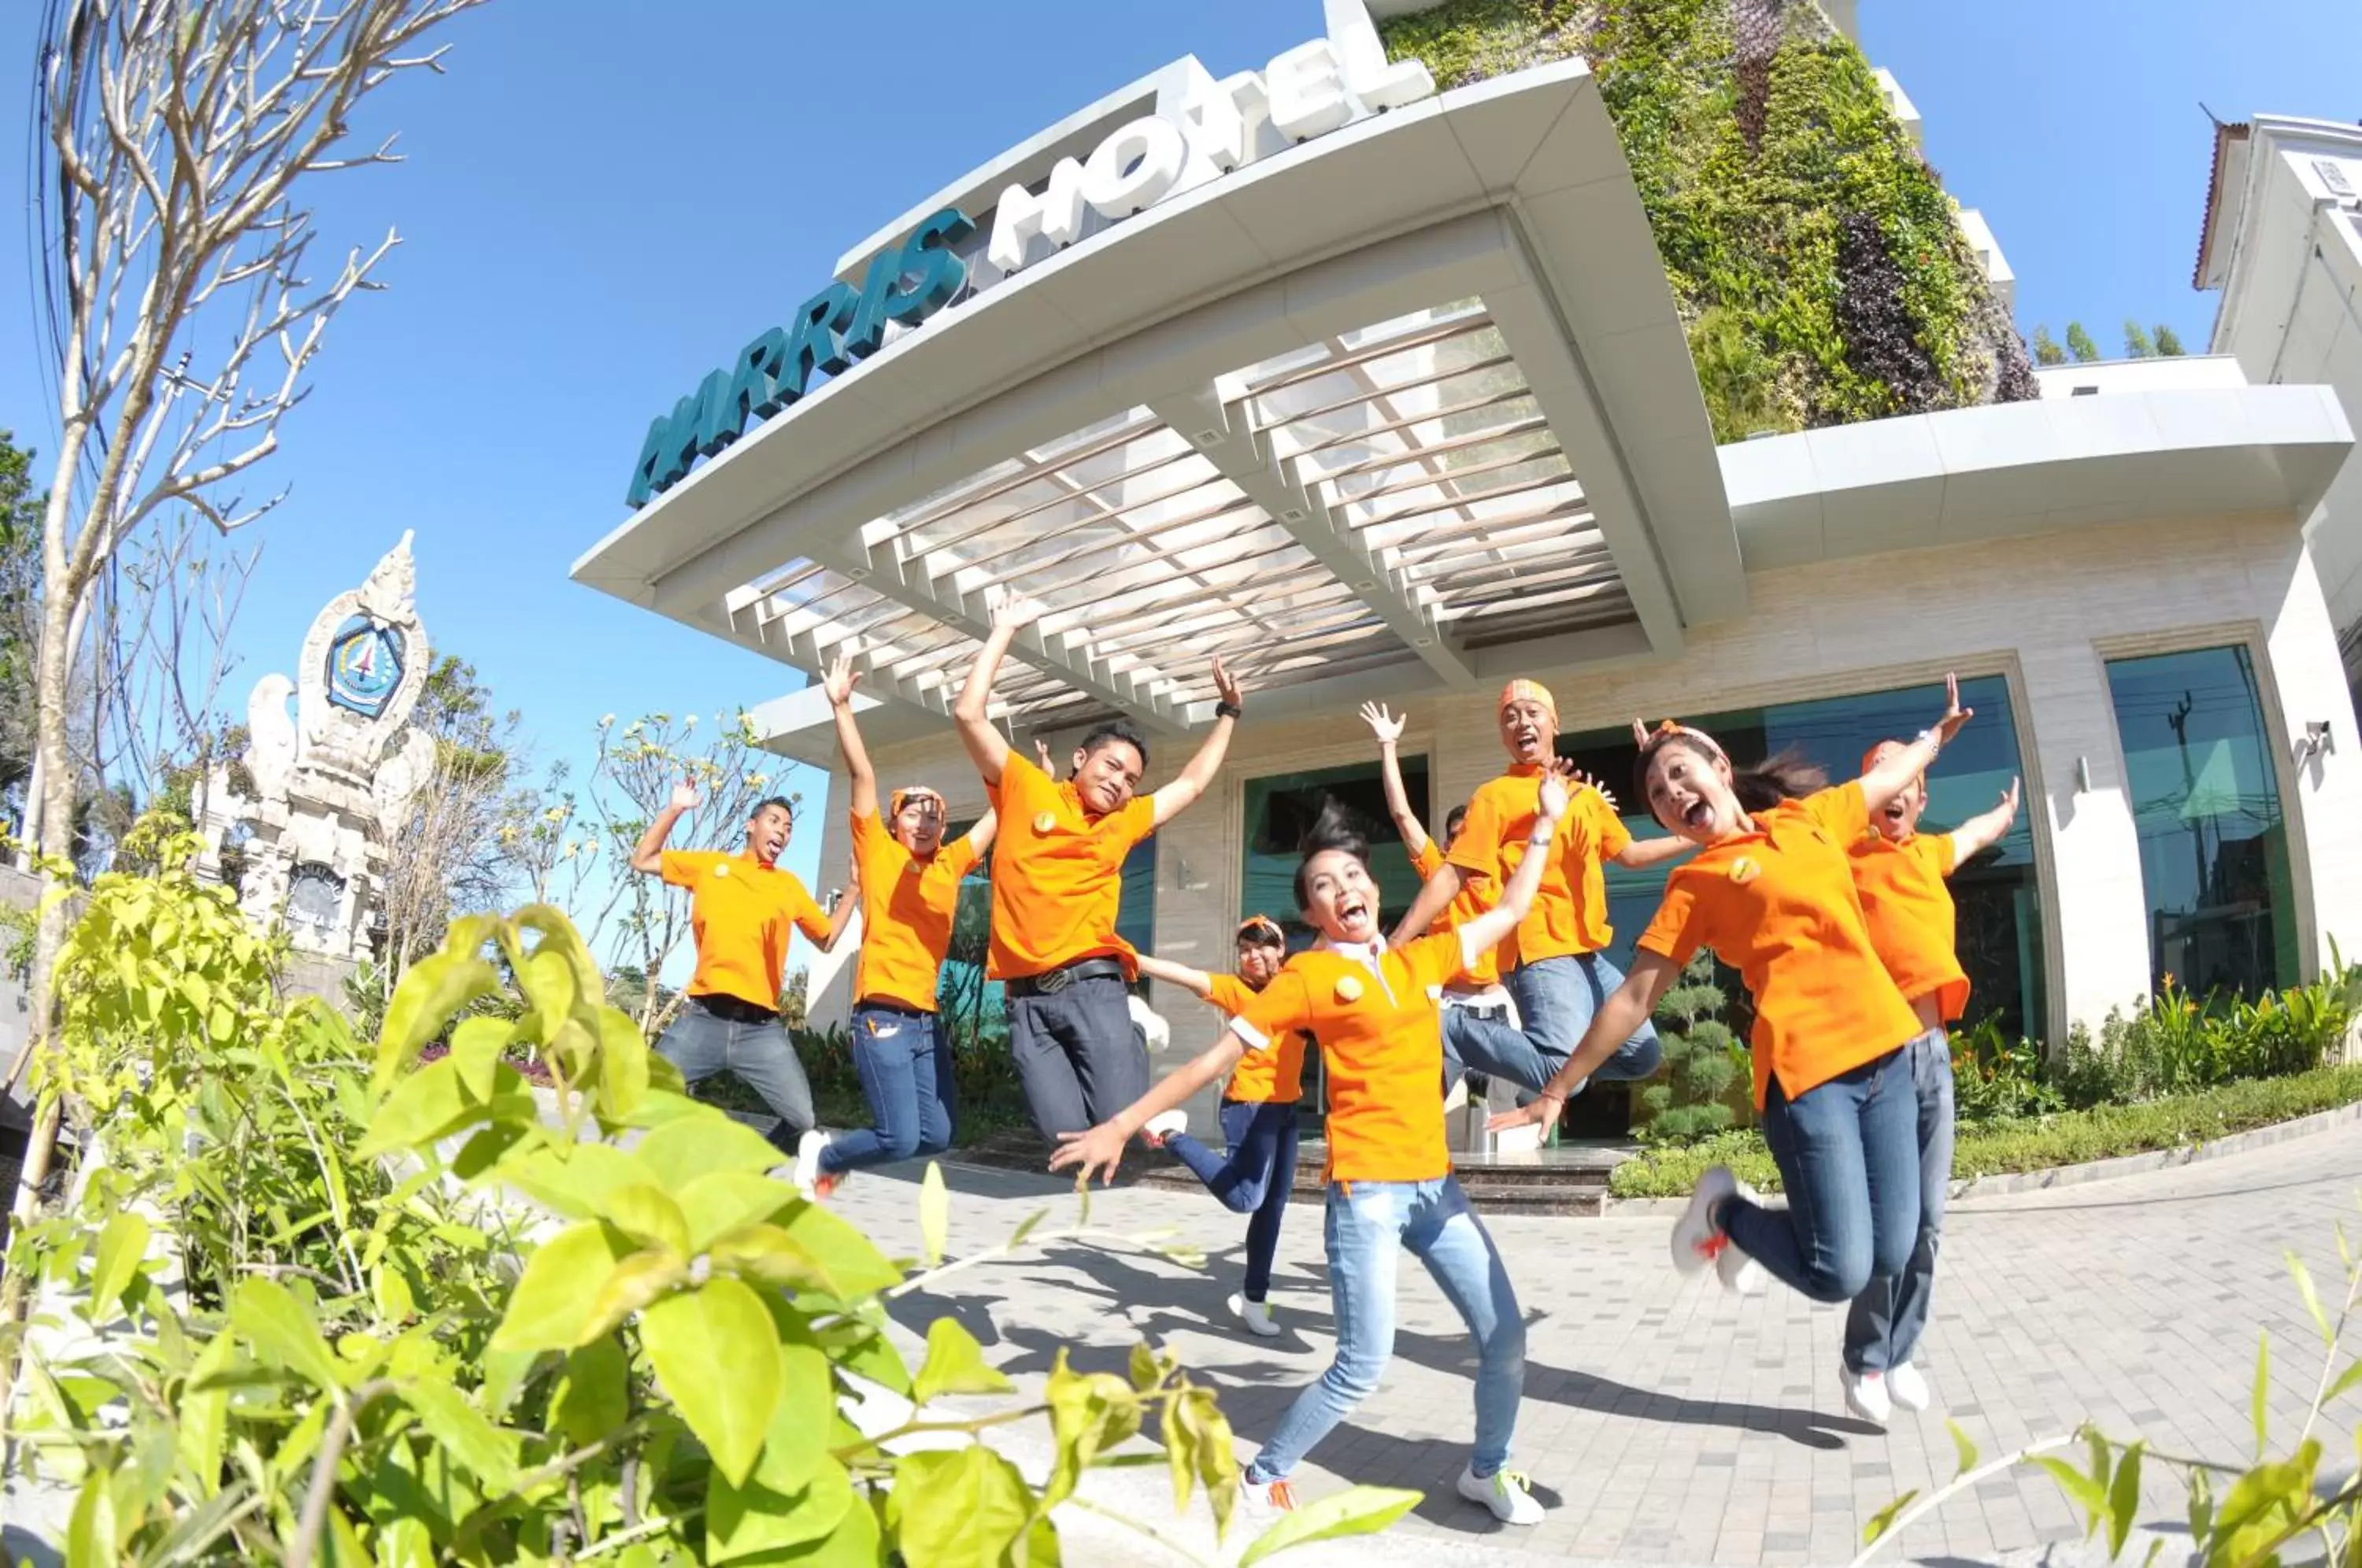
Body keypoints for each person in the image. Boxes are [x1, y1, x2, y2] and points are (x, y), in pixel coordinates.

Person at [1054, 775, 1579, 1528]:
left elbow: (1511, 909)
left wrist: (1545, 826)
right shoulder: (1306, 976)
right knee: (1364, 1364)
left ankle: (1486, 1471)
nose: (1345, 890)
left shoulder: (1417, 962)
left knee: (1503, 1340)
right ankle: (1266, 1472)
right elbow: (1211, 1062)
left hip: (1438, 1192)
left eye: (1355, 876)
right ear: (1312, 912)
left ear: (1374, 888)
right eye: (1325, 886)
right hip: (1366, 1195)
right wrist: (1120, 1122)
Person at [1491, 678, 1976, 1423]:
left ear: (1719, 767)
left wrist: (1934, 740)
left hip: (1888, 1057)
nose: (1672, 791)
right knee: (1836, 1270)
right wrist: (1559, 1089)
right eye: (1657, 792)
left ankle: (1795, 1275)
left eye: (1681, 772)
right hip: (1809, 1079)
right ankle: (1727, 1212)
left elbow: (1885, 777)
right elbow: (1632, 999)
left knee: (1893, 1250)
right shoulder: (1696, 880)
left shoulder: (1810, 819)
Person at [951, 587, 1245, 1141]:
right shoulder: (1025, 789)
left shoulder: (1124, 820)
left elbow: (1193, 784)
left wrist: (1228, 712)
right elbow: (969, 713)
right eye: (1112, 766)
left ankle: (1128, 1024)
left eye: (1131, 778)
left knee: (1120, 1127)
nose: (1119, 782)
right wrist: (1005, 630)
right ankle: (1130, 1036)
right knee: (1062, 1135)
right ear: (1080, 760)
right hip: (1025, 1001)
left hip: (1093, 987)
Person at [1390, 679, 1690, 1104]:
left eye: (1532, 712)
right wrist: (1397, 943)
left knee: (1641, 1057)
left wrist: (1696, 837)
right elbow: (1451, 875)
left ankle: (1565, 1069)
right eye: (1510, 717)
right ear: (1503, 736)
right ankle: (1445, 1028)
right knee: (1559, 1071)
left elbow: (1632, 853)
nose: (1521, 722)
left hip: (1587, 953)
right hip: (1539, 950)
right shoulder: (1494, 797)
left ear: (1555, 723)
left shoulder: (1585, 797)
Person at [1838, 746, 2022, 1422]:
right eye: (1881, 778)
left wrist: (2004, 816)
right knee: (1892, 1222)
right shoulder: (1844, 855)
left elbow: (1970, 837)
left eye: (1906, 782)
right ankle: (1866, 1358)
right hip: (1876, 1058)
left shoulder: (1927, 854)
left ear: (1919, 798)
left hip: (1933, 1056)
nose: (1894, 791)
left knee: (1929, 1223)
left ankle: (1902, 1351)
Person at [805, 655, 999, 1195]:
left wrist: (1031, 783)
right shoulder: (878, 853)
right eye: (914, 813)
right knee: (897, 1138)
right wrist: (842, 706)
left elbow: (999, 815)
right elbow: (863, 774)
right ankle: (828, 1155)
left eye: (935, 814)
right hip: (882, 1015)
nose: (927, 820)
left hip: (925, 1022)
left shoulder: (951, 862)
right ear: (894, 824)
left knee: (936, 1136)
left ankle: (834, 1157)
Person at [1361, 701, 1617, 1105]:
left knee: (1533, 1094)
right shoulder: (1440, 872)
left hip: (1499, 1002)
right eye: (1455, 836)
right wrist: (1388, 746)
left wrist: (1588, 809)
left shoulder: (1510, 884)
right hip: (1448, 999)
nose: (1463, 841)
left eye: (1469, 833)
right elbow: (1402, 815)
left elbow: (1566, 858)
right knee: (1435, 1105)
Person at [630, 783, 857, 1192]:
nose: (782, 833)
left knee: (803, 1121)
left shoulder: (787, 886)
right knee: (647, 1091)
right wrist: (676, 809)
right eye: (775, 822)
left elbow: (826, 939)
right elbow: (643, 859)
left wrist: (854, 891)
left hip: (761, 1031)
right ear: (751, 825)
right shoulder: (711, 867)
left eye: (788, 828)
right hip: (703, 1020)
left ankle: (744, 1178)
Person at [1127, 915, 1304, 1339]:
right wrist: (1132, 958)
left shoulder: (1297, 985)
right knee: (1247, 1199)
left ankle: (1254, 1298)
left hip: (1289, 1110)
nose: (1252, 956)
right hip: (1249, 1107)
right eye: (1244, 949)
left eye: (1261, 946)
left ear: (1280, 949)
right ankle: (1172, 1134)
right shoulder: (1236, 990)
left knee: (1271, 1210)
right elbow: (1187, 975)